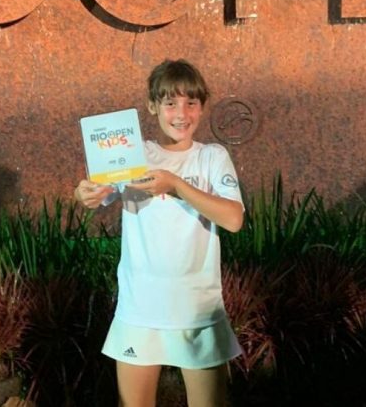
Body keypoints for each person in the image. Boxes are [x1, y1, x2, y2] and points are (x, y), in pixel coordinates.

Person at [74, 59, 244, 407]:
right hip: (139, 309)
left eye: (191, 103)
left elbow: (233, 219)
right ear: (152, 106)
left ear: (202, 107)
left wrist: (176, 185)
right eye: (170, 103)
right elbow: (97, 194)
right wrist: (85, 193)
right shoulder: (134, 154)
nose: (181, 114)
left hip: (197, 310)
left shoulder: (212, 157)